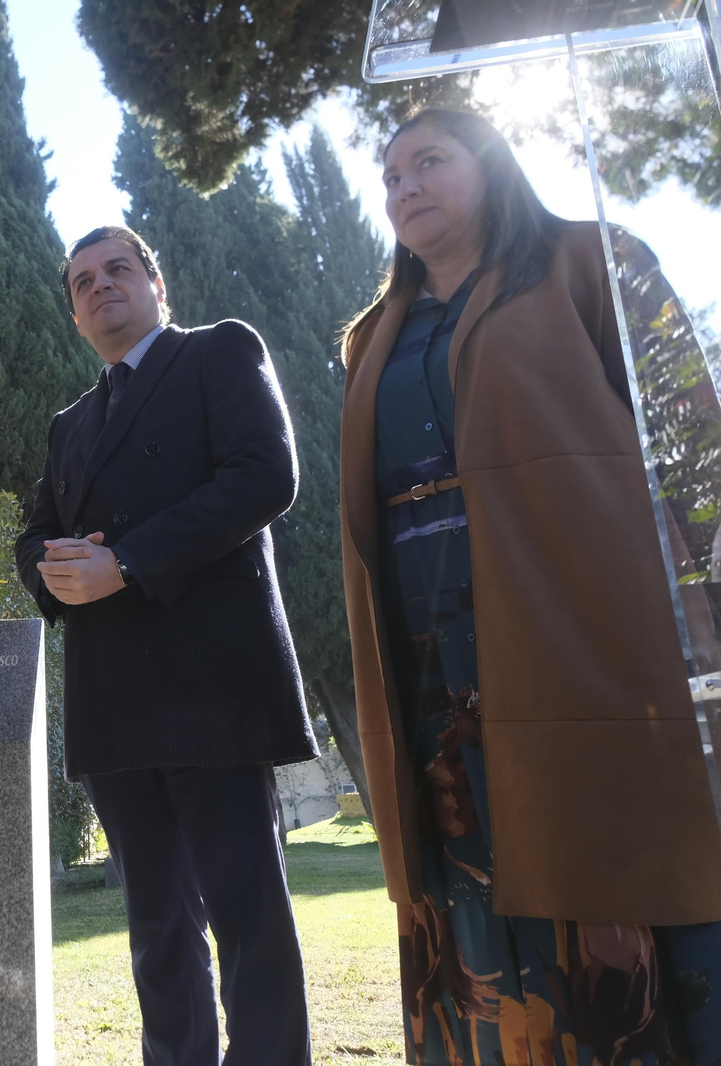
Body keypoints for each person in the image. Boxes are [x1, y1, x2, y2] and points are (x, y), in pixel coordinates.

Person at [339, 108, 721, 1064]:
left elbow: (694, 448)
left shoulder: (596, 262)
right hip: (427, 649)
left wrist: (706, 606)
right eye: (388, 177)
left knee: (603, 854)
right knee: (466, 865)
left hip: (579, 630)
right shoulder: (371, 337)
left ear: (495, 164)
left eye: (429, 161)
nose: (404, 187)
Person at [15, 225, 318, 1066]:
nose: (101, 286)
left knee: (246, 914)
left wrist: (129, 562)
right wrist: (59, 569)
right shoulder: (69, 424)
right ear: (75, 315)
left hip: (212, 684)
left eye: (118, 269)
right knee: (155, 926)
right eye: (82, 282)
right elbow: (35, 534)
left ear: (157, 284)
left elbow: (265, 474)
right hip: (115, 700)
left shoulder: (218, 353)